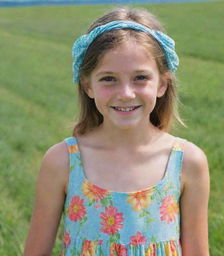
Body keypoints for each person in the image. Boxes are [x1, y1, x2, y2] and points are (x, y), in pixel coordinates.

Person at [24, 6, 210, 256]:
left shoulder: (187, 162)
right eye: (109, 78)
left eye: (140, 77)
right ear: (87, 85)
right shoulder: (63, 162)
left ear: (162, 84)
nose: (125, 94)